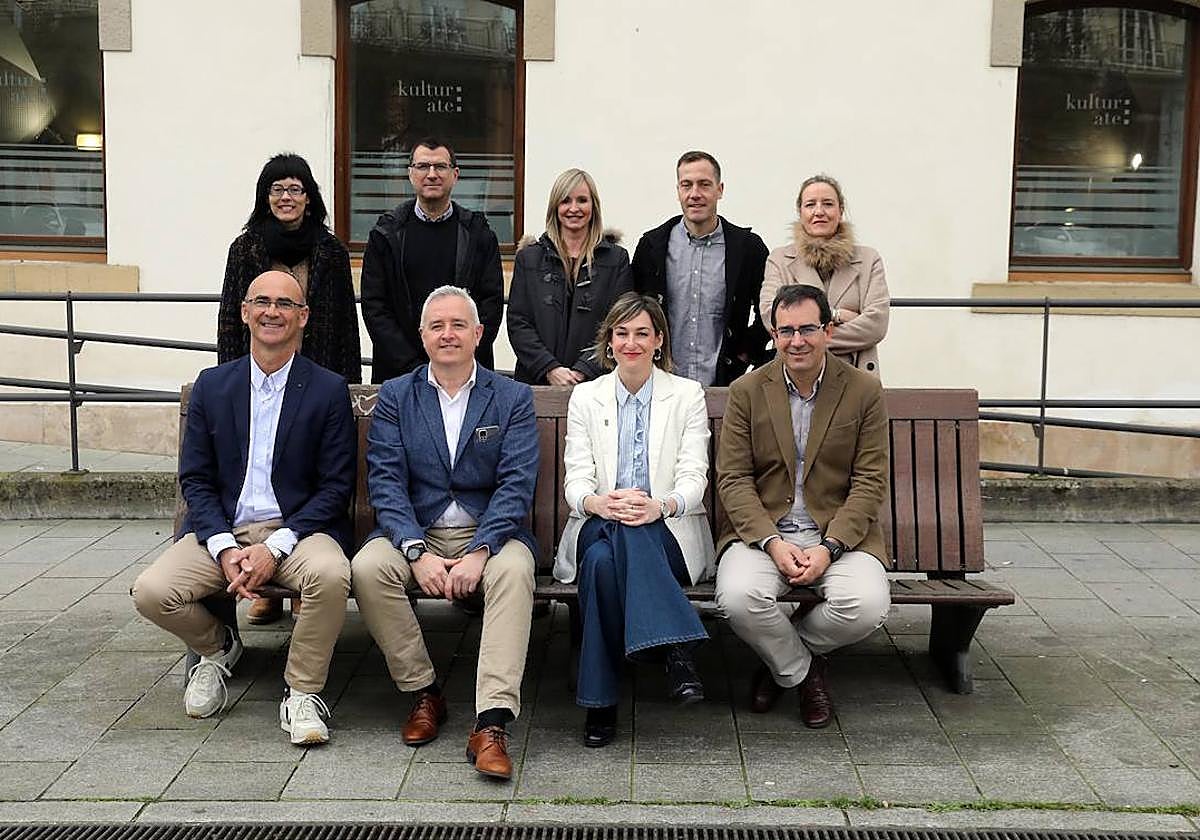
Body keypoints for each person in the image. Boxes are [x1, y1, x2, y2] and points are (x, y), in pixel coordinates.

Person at [133, 270, 355, 745]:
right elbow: (196, 478)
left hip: (297, 531)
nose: (272, 311)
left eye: (285, 304)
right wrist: (223, 546)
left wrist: (274, 548)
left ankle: (302, 691)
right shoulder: (213, 386)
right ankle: (218, 649)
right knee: (151, 591)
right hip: (223, 529)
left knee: (331, 574)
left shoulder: (327, 389)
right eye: (262, 302)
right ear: (244, 312)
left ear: (303, 317)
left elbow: (336, 487)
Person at [351, 285, 538, 781]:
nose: (448, 334)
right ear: (423, 335)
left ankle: (492, 721)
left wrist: (481, 550)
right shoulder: (397, 395)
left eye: (458, 325)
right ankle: (424, 691)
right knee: (368, 568)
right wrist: (415, 551)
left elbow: (516, 484)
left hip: (489, 531)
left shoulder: (512, 397)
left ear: (479, 333)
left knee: (514, 572)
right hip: (418, 530)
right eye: (437, 326)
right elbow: (386, 481)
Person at [714, 284, 891, 729]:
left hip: (838, 535)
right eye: (786, 331)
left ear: (828, 331)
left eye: (808, 329)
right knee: (737, 598)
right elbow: (733, 479)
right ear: (774, 334)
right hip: (764, 534)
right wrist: (772, 543)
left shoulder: (863, 391)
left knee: (867, 605)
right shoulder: (747, 390)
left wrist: (830, 548)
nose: (797, 341)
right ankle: (804, 672)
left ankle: (781, 660)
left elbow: (870, 481)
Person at [555, 292, 714, 747]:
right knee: (616, 533)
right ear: (609, 341)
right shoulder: (587, 397)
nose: (631, 343)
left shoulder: (686, 395)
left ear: (659, 340)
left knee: (603, 565)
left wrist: (659, 506)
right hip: (597, 521)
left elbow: (694, 477)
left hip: (668, 530)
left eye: (642, 333)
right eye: (621, 333)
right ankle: (676, 647)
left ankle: (600, 704)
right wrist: (599, 503)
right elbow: (575, 480)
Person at [217, 154, 360, 625]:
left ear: (309, 197)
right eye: (277, 189)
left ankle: (300, 585)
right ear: (265, 197)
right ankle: (266, 593)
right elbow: (229, 319)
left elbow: (345, 323)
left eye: (295, 188)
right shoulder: (246, 249)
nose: (286, 197)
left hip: (317, 384)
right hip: (260, 378)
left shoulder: (330, 250)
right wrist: (231, 380)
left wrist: (346, 383)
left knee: (306, 474)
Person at [360, 138, 504, 383]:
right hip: (400, 374)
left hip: (464, 372)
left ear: (455, 174)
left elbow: (491, 304)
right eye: (423, 166)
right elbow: (375, 306)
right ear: (410, 174)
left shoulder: (479, 234)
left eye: (440, 167)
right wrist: (412, 366)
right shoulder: (385, 234)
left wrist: (457, 357)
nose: (432, 174)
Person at [631, 150, 771, 387]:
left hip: (724, 385)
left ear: (720, 190)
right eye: (687, 185)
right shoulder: (652, 247)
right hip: (660, 385)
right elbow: (632, 312)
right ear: (678, 191)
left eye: (704, 184)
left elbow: (769, 311)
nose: (695, 194)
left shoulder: (748, 249)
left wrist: (744, 354)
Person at [507, 168, 633, 385]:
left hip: (596, 383)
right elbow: (518, 323)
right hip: (536, 381)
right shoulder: (529, 259)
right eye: (566, 201)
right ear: (555, 206)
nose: (574, 208)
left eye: (582, 200)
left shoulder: (616, 259)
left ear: (593, 206)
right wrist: (549, 368)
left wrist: (584, 370)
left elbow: (619, 322)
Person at [758, 174, 890, 376]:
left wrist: (803, 336)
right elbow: (771, 316)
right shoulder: (780, 259)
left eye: (828, 204)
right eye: (810, 204)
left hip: (854, 373)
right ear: (800, 211)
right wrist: (837, 315)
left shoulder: (868, 259)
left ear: (840, 210)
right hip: (796, 375)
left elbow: (876, 324)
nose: (819, 211)